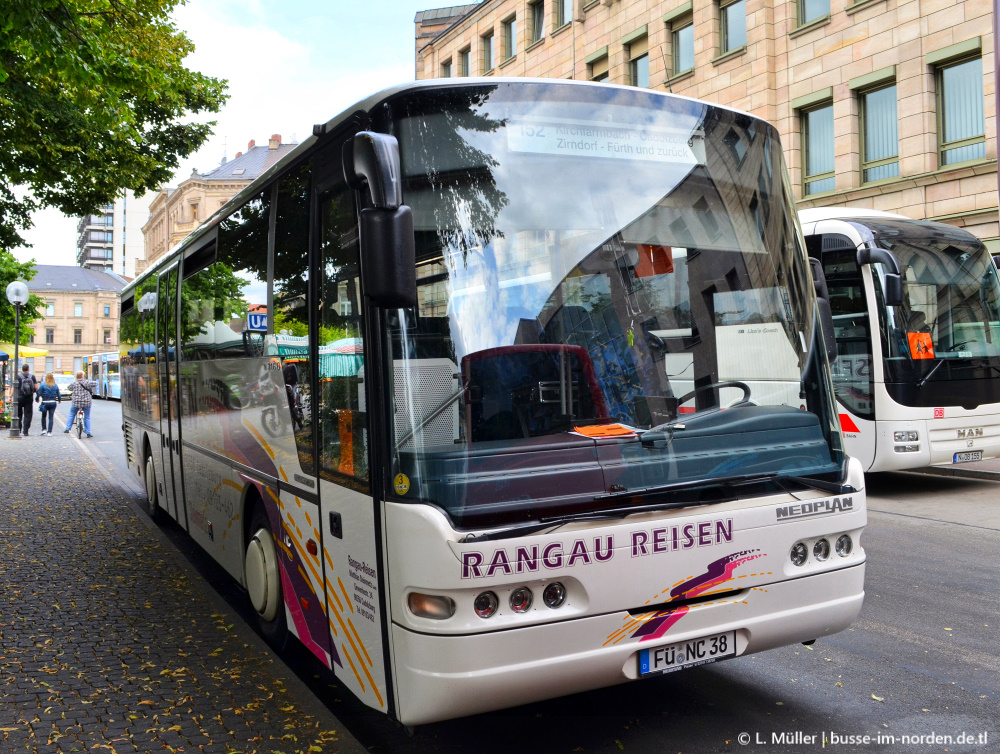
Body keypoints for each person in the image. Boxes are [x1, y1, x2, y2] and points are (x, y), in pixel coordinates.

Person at [64, 370, 97, 438]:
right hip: (86, 403)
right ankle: (88, 432)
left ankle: (67, 428)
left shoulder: (74, 383)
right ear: (82, 376)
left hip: (76, 402)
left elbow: (69, 388)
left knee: (72, 414)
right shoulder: (87, 382)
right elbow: (96, 383)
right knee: (87, 417)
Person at [15, 364, 37, 436]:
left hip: (19, 397)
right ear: (28, 369)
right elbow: (36, 387)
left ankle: (19, 428)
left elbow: (14, 387)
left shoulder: (18, 377)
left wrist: (10, 396)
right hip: (29, 398)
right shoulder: (32, 376)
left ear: (22, 369)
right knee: (28, 414)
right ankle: (25, 431)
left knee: (19, 414)